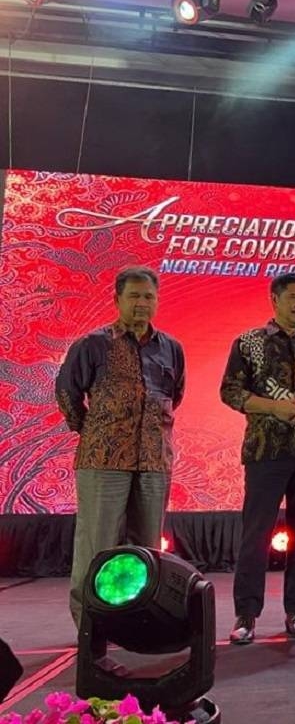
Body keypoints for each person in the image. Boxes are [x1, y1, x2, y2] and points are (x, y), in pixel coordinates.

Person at [56, 267, 185, 639]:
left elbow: (174, 395)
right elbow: (68, 392)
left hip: (153, 461)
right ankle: (90, 628)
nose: (142, 303)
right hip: (103, 461)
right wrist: (93, 429)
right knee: (98, 545)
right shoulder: (93, 344)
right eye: (134, 296)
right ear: (117, 300)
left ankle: (136, 623)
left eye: (149, 296)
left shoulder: (171, 348)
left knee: (147, 550)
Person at [221, 272, 295, 644]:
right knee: (255, 535)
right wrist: (272, 408)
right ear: (274, 299)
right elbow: (230, 392)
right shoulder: (249, 343)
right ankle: (246, 615)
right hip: (266, 452)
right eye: (292, 298)